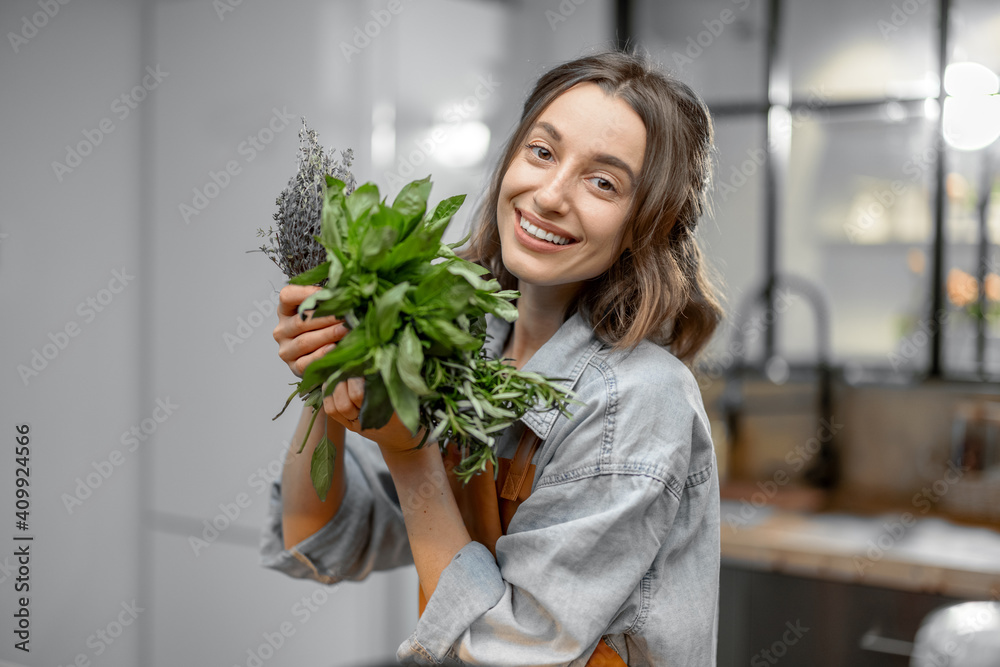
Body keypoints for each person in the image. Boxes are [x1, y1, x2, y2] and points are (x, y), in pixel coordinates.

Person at [260, 50, 724, 666]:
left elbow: (510, 651)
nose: (550, 194)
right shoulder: (469, 347)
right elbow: (320, 542)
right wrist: (330, 370)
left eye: (603, 182)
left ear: (646, 225)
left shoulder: (635, 399)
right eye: (541, 151)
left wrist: (411, 454)